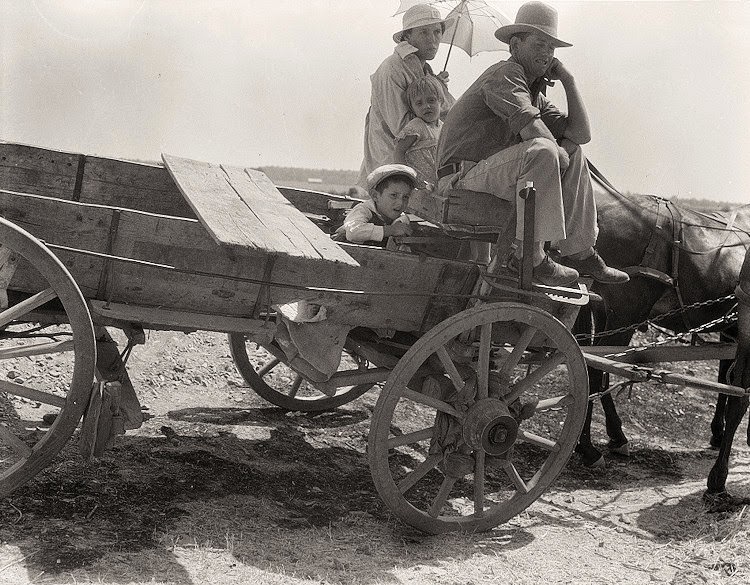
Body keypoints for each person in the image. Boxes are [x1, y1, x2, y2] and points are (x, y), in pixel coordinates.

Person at [436, 1, 629, 286]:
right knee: (545, 149)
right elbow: (536, 136)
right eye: (540, 44)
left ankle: (582, 251)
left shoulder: (531, 92)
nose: (547, 53)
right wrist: (559, 153)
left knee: (573, 151)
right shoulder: (505, 74)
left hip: (488, 177)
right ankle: (531, 256)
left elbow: (581, 134)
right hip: (460, 178)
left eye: (551, 48)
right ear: (515, 46)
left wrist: (568, 79)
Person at [358, 4, 455, 189]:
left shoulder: (422, 68)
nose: (433, 40)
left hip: (414, 170)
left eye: (437, 32)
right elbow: (402, 128)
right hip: (391, 168)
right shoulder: (393, 68)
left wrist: (438, 86)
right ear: (407, 36)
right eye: (424, 32)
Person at [333, 164, 417, 245]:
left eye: (405, 197)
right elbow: (353, 232)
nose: (400, 202)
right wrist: (390, 230)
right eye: (394, 195)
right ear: (375, 196)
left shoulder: (401, 219)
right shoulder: (363, 210)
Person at [394, 76, 444, 188]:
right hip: (418, 184)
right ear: (412, 108)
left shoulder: (442, 127)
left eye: (431, 100)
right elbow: (399, 151)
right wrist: (405, 177)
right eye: (419, 103)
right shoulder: (417, 125)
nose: (426, 106)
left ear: (441, 101)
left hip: (435, 183)